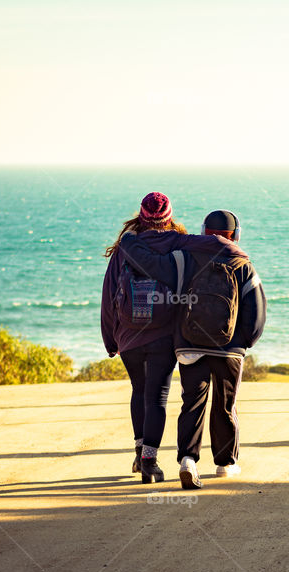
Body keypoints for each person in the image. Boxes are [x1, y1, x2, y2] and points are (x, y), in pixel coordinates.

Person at [119, 209, 266, 489]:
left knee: (192, 402)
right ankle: (225, 464)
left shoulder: (182, 258)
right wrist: (243, 343)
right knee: (225, 405)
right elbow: (256, 314)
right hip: (229, 348)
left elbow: (149, 263)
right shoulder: (243, 263)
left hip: (189, 344)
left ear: (202, 232)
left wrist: (129, 241)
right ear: (235, 235)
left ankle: (188, 459)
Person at [101, 192, 187, 484]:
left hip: (128, 334)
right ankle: (150, 460)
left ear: (140, 216)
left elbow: (109, 295)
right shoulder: (179, 244)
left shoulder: (126, 247)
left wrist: (110, 339)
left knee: (139, 391)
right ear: (169, 217)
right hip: (164, 334)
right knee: (157, 397)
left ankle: (140, 454)